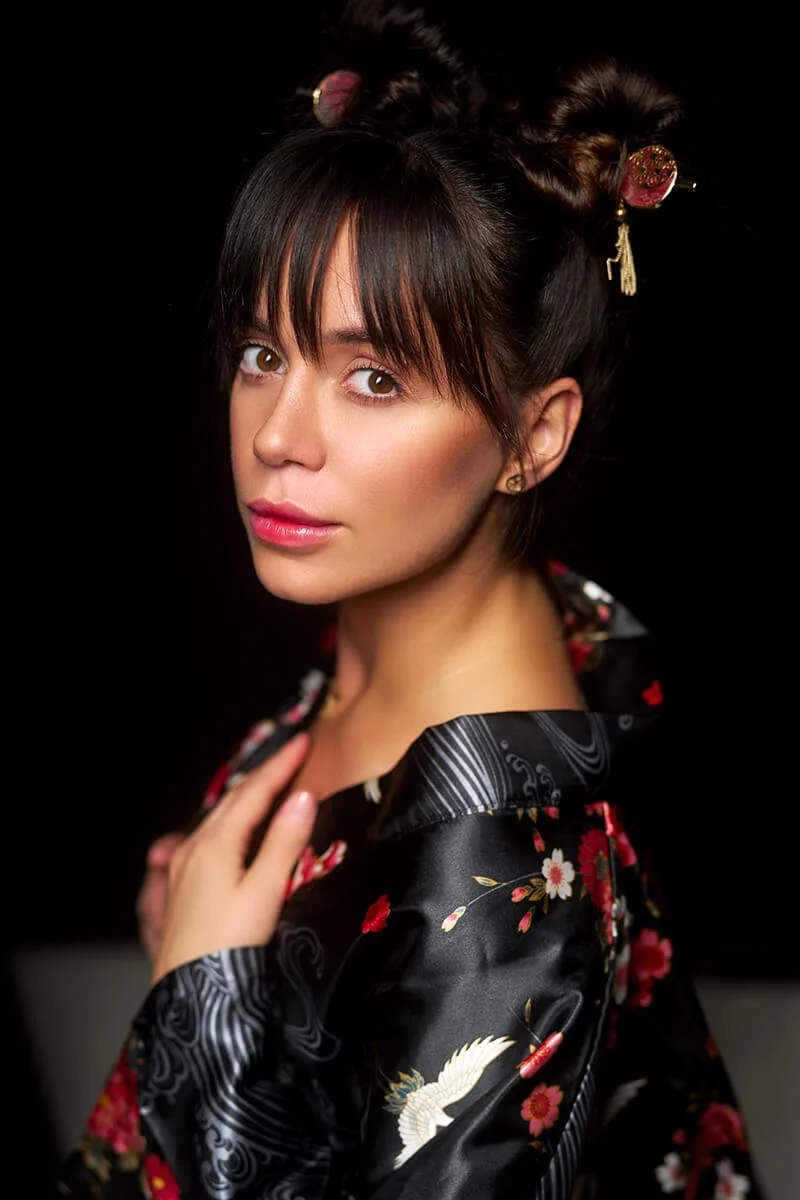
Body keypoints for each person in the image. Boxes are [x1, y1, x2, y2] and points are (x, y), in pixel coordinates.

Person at [57, 2, 764, 1196]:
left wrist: (206, 1007)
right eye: (260, 353)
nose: (277, 437)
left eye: (373, 377)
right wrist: (232, 953)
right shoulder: (418, 636)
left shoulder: (497, 883)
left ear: (531, 435)